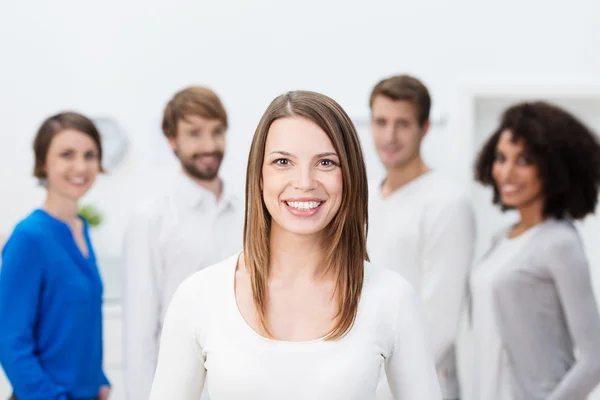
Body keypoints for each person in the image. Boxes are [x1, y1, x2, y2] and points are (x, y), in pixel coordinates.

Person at [147, 90, 442, 399]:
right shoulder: (199, 296)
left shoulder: (392, 299)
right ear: (259, 176)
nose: (304, 182)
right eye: (283, 161)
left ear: (350, 176)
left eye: (326, 162)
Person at [470, 101, 600, 400]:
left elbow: (594, 359)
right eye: (501, 158)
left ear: (553, 166)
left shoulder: (559, 243)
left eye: (524, 160)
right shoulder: (501, 240)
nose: (507, 171)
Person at [122, 86, 243, 399]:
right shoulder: (151, 219)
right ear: (171, 139)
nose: (209, 145)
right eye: (195, 133)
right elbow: (140, 334)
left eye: (217, 132)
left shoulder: (250, 212)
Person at [366, 75, 476, 400]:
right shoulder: (364, 197)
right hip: (365, 375)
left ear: (425, 127)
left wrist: (379, 391)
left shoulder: (447, 202)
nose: (390, 136)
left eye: (403, 124)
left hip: (418, 387)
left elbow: (439, 322)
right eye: (381, 122)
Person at [0, 112, 110, 400]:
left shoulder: (80, 228)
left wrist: (99, 379)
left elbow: (77, 322)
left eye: (90, 155)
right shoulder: (29, 237)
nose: (81, 166)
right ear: (43, 163)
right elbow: (10, 341)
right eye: (66, 154)